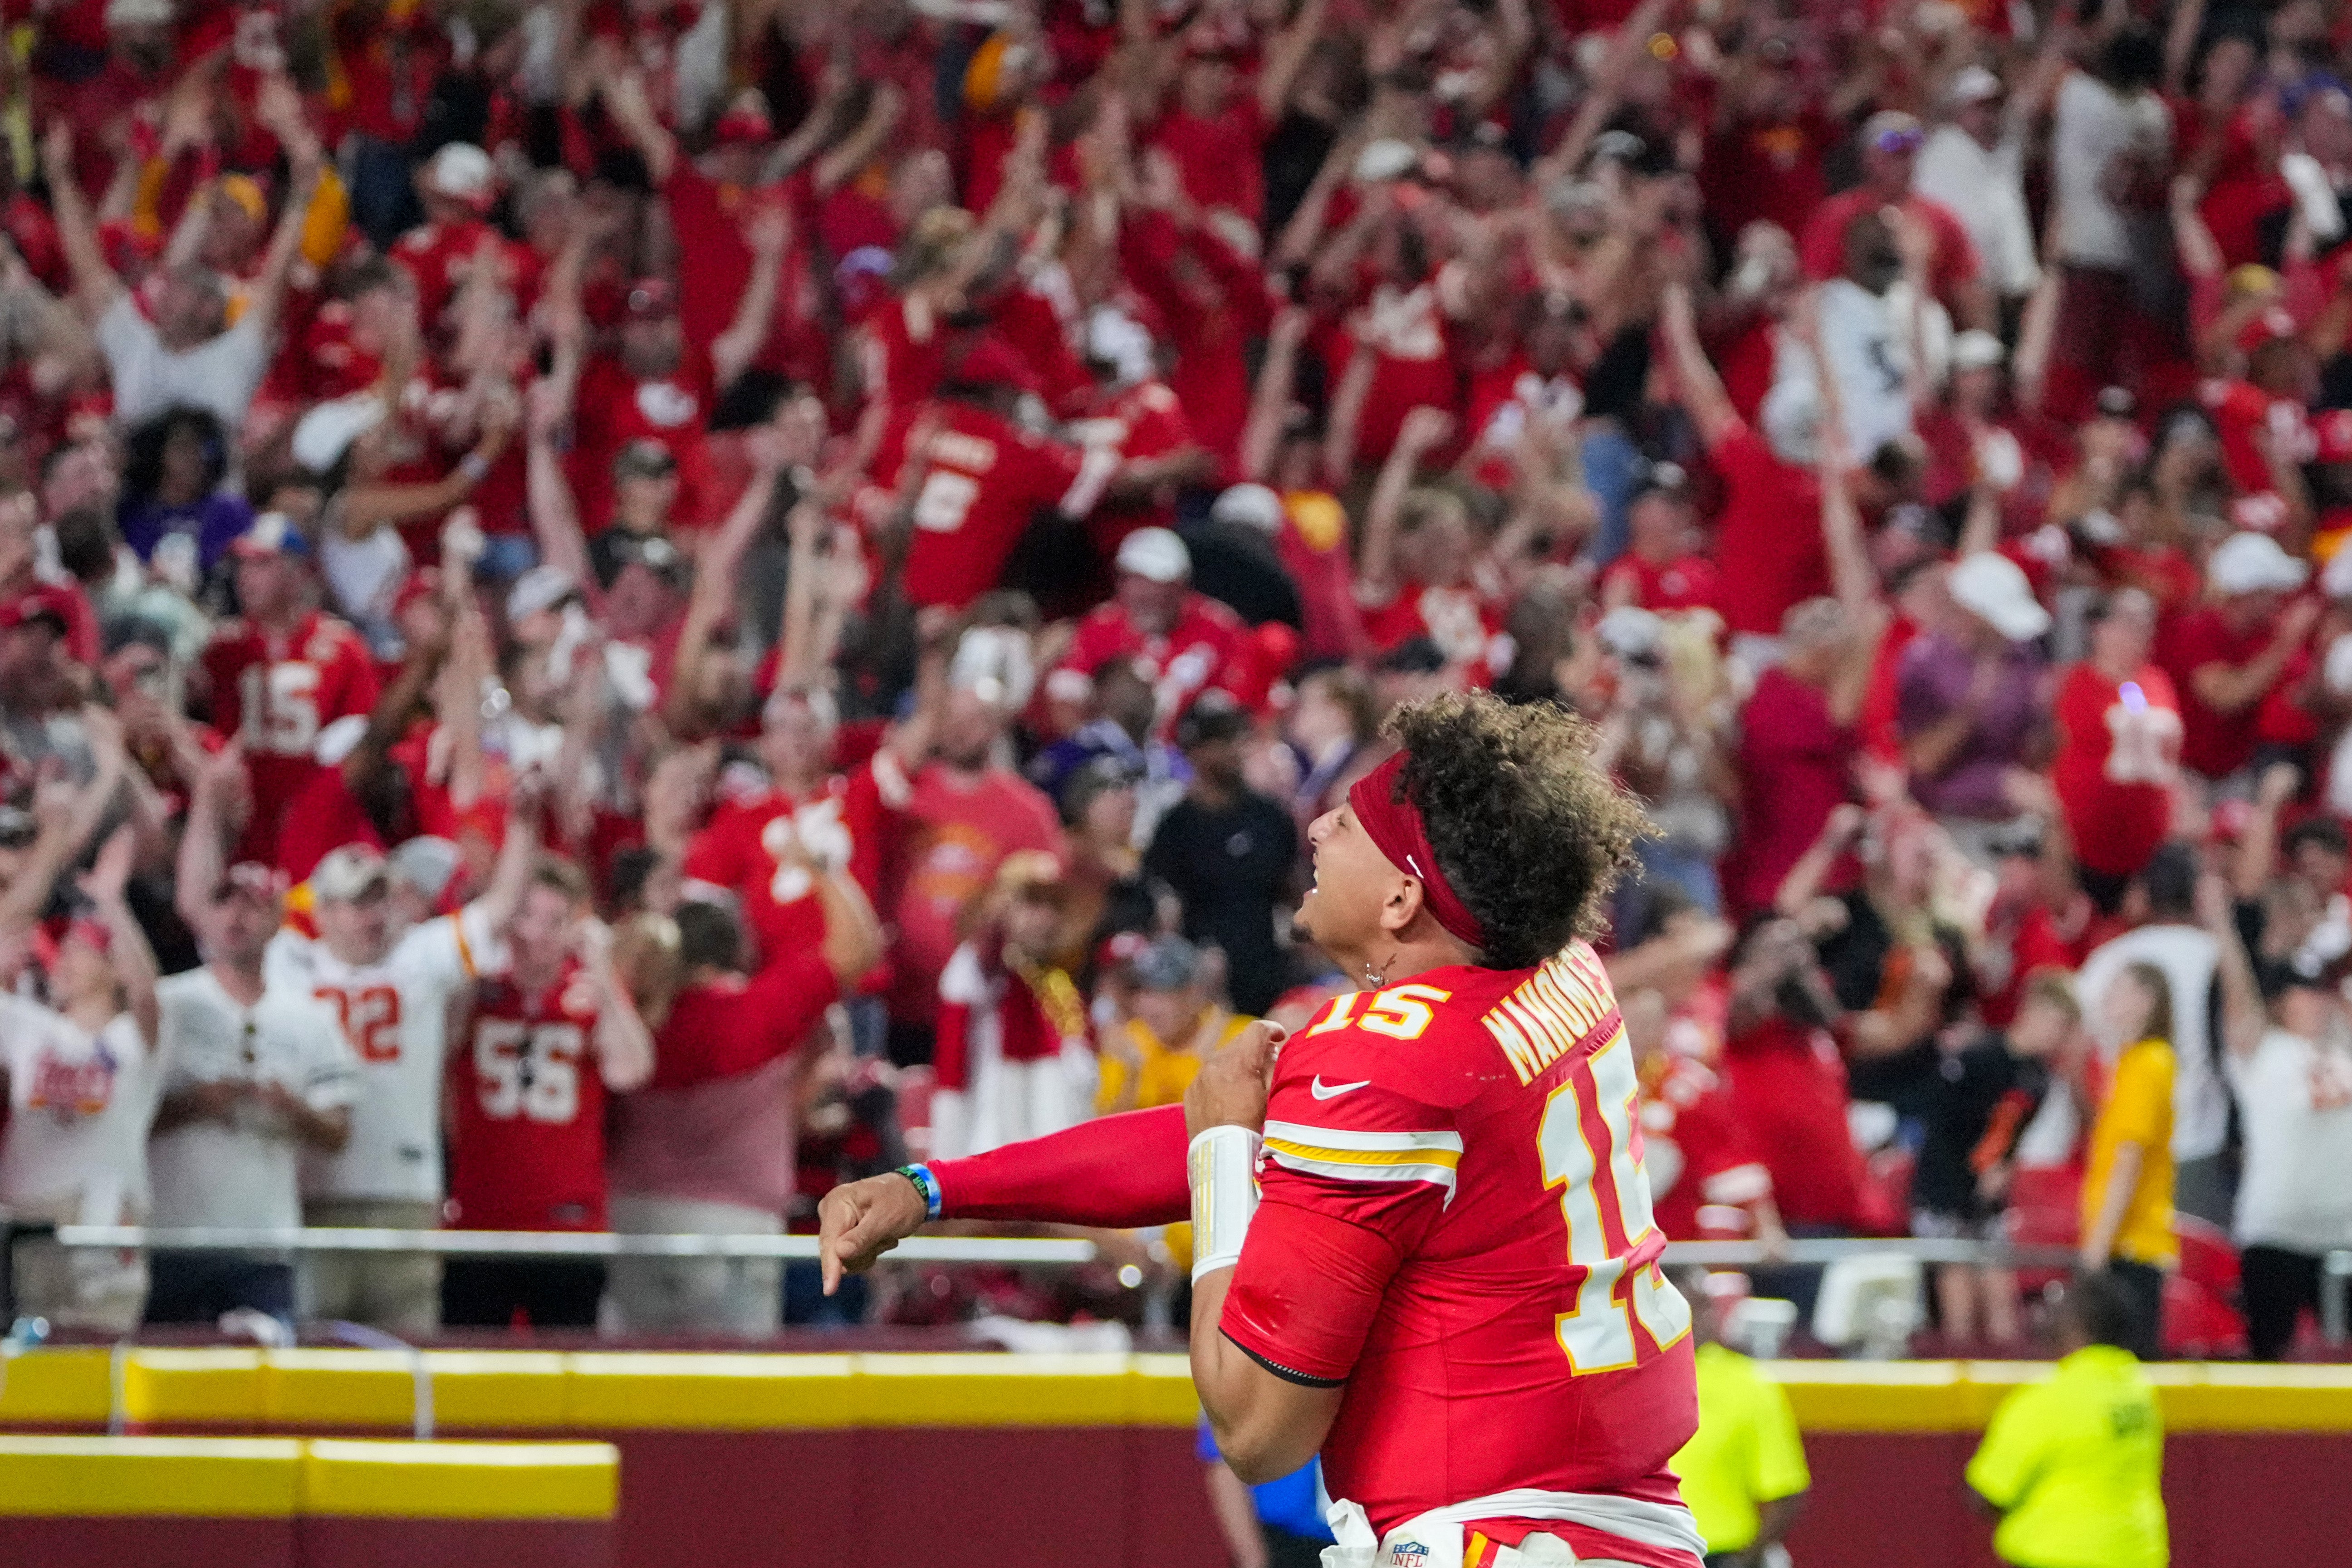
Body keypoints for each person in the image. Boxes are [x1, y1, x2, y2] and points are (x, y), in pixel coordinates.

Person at [822, 692, 1705, 1568]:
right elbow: (1220, 1127)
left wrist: (1220, 1158)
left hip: (1494, 1536)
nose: (1317, 832)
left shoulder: (1391, 1065)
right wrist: (937, 1188)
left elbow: (1254, 1428)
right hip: (1621, 1527)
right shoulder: (1558, 970)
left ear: (1403, 898)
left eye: (1352, 826)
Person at [260, 810, 538, 1337]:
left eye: (381, 900)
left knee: (404, 1357)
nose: (374, 916)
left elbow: (500, 909)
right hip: (313, 1193)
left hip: (403, 1194)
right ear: (323, 911)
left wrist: (524, 825)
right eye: (357, 904)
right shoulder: (287, 963)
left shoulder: (420, 955)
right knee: (318, 1361)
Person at [605, 873, 879, 1337]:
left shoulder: (631, 1024)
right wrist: (821, 867)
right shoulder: (756, 1011)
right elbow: (859, 949)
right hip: (735, 1224)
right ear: (736, 952)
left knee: (634, 1388)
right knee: (732, 1390)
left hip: (634, 1218)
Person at [152, 749, 357, 1326]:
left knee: (265, 1397)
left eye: (253, 906)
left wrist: (291, 1111)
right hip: (175, 1235)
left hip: (264, 1237)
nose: (237, 918)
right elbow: (132, 1115)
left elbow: (338, 1131)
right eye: (225, 903)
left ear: (276, 920)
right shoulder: (172, 1004)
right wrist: (195, 1104)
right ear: (207, 916)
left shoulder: (309, 1016)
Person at [439, 854, 655, 1330]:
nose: (535, 934)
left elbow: (630, 1071)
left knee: (568, 1376)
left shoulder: (589, 994)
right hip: (481, 1217)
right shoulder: (474, 992)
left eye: (553, 921)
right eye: (524, 915)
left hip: (568, 1222)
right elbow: (440, 1047)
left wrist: (603, 971)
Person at [2204, 871, 2352, 1360]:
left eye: (2320, 991)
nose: (2317, 1001)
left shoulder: (2346, 1048)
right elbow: (2239, 994)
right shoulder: (2264, 1052)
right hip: (2275, 1232)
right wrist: (2221, 924)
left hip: (2344, 1233)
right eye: (2303, 992)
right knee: (2270, 1358)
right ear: (2281, 1003)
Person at [1965, 1273, 2168, 1568]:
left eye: (2062, 1305)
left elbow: (1986, 1494)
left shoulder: (2049, 1399)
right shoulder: (2137, 1389)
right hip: (2137, 1554)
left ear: (2078, 1325)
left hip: (2057, 1555)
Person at [2074, 844, 2229, 1227]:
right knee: (2195, 1277)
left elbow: (2073, 1052)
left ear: (2142, 893)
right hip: (2198, 1142)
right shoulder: (2216, 955)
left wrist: (2096, 1121)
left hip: (2127, 1140)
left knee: (2127, 1276)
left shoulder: (2110, 959)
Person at [1144, 691, 1299, 1015]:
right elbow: (1163, 911)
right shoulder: (1175, 828)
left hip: (1266, 975)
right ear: (1194, 751)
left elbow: (1294, 892)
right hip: (1198, 989)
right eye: (1220, 740)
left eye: (1237, 737)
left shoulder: (1270, 818)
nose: (1233, 749)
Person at [1670, 1272, 1810, 1568]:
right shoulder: (1628, 1381)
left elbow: (1786, 1493)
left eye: (1703, 1307)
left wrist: (1745, 1561)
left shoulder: (1749, 1383)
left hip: (1720, 1552)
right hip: (1648, 1549)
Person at [2076, 960, 2177, 1361]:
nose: (2107, 1000)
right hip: (2124, 1244)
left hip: (2131, 1246)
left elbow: (2129, 1161)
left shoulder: (2148, 1063)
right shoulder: (2129, 1063)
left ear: (2146, 1001)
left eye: (2118, 990)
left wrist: (2097, 1249)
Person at [1098, 935, 1253, 1116]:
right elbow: (1107, 1129)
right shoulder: (1129, 1042)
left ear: (1194, 994)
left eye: (1164, 993)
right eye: (1144, 992)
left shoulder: (1241, 1037)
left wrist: (1212, 1064)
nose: (1151, 1008)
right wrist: (1132, 1078)